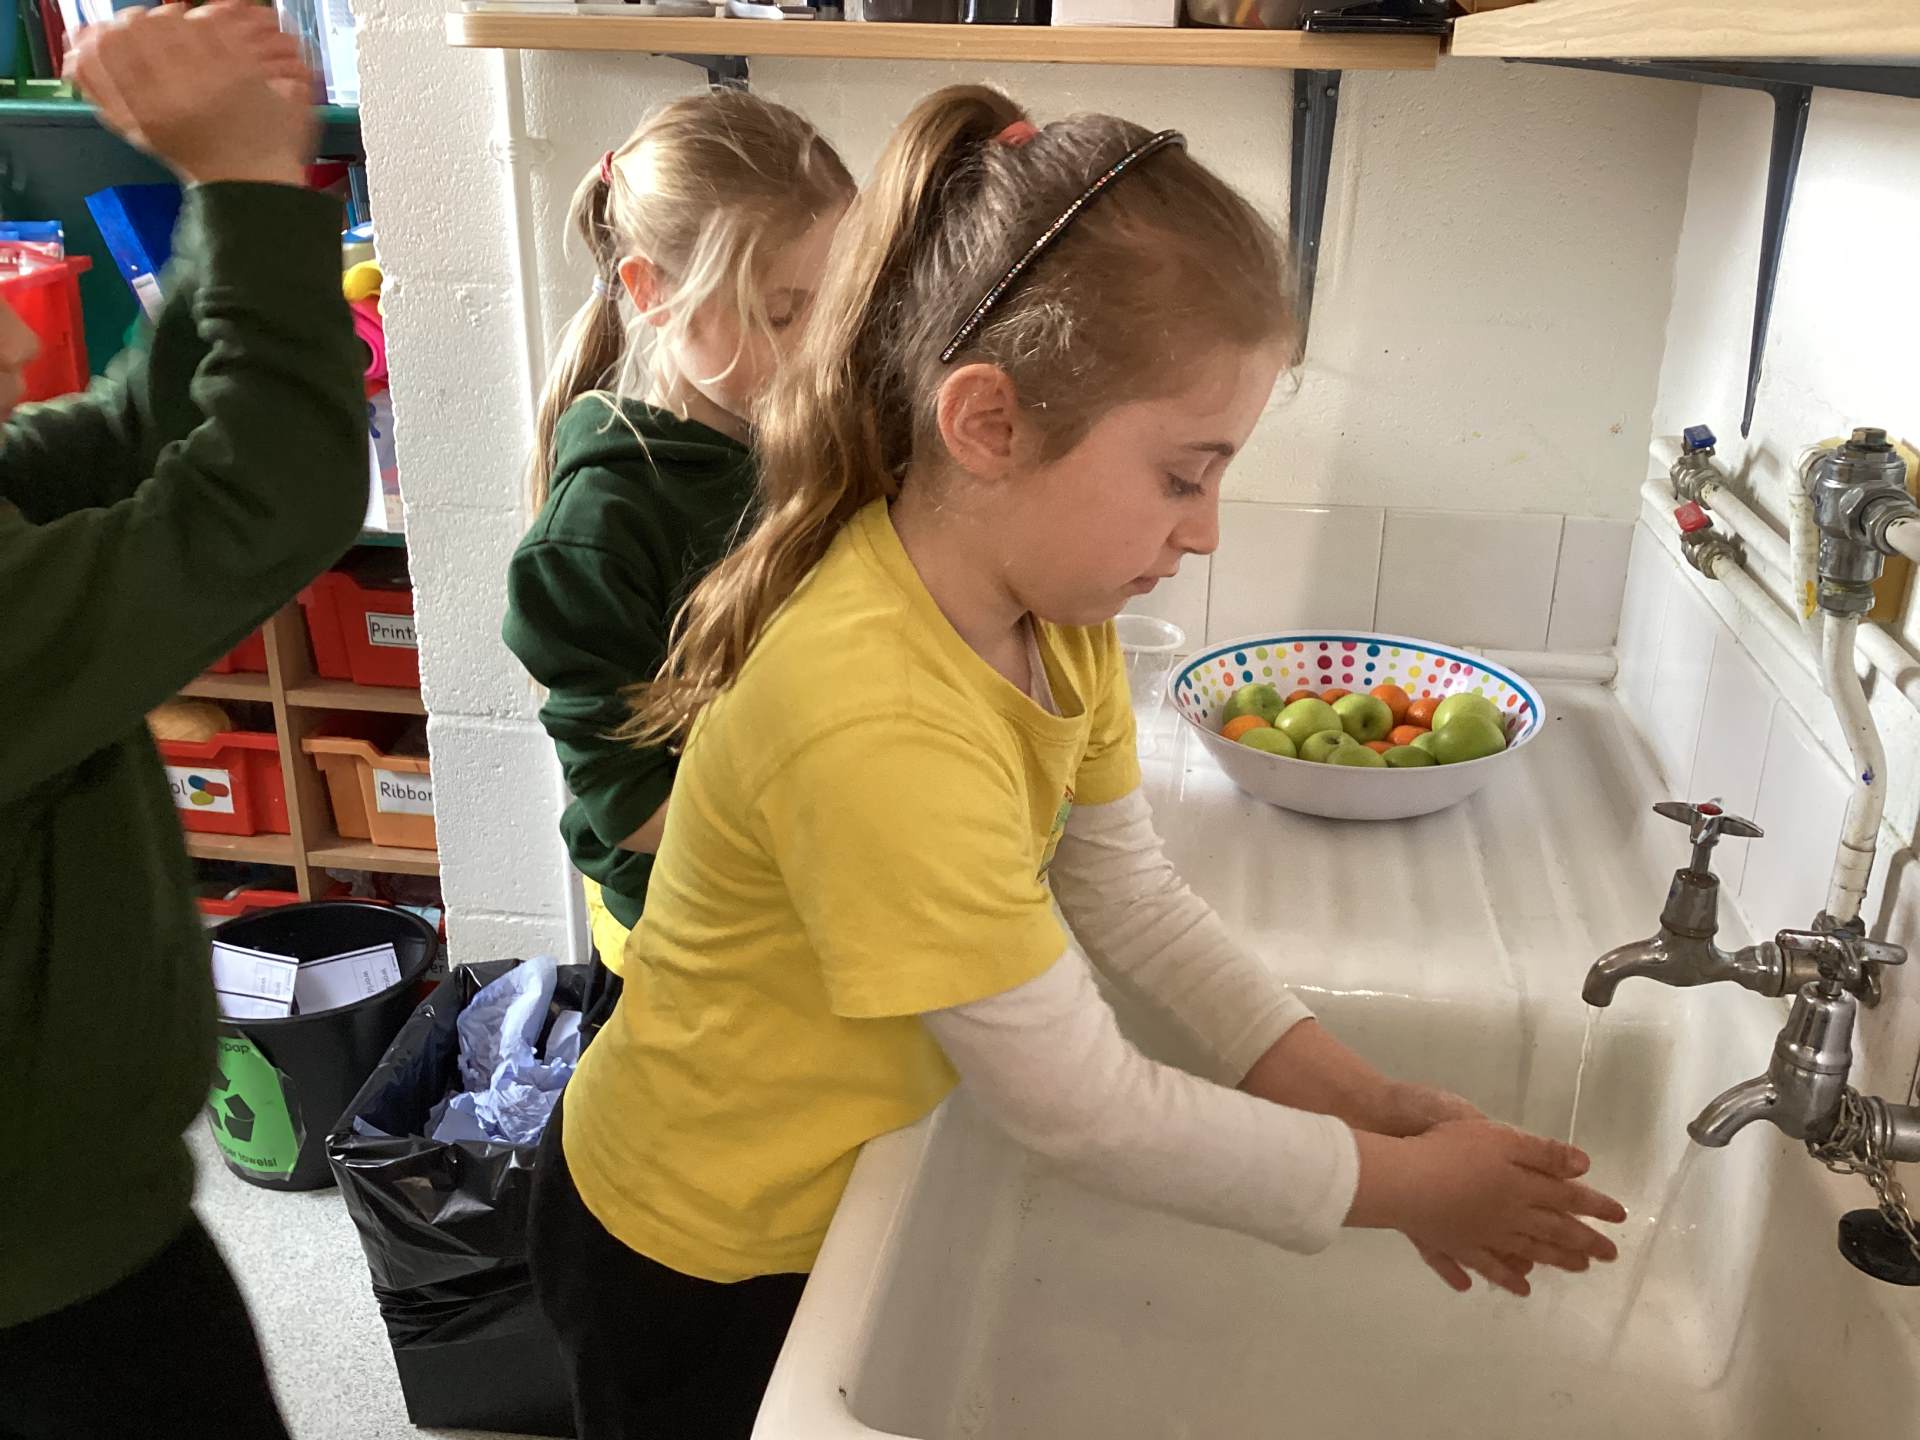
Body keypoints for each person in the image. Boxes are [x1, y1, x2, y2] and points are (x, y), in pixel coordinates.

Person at [527, 86, 1627, 1439]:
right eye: (1183, 475)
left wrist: (1360, 1101)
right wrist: (1402, 1189)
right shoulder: (872, 712)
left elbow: (1129, 895)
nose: (1206, 530)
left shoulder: (1052, 620)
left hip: (829, 1198)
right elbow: (1083, 1110)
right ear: (988, 424)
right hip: (693, 1249)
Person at [0, 8, 367, 1435]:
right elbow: (271, 491)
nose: (17, 313)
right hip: (46, 1300)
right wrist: (245, 180)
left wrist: (230, 197)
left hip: (92, 1238)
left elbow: (131, 442)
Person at [502, 90, 852, 1024]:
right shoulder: (600, 525)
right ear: (652, 292)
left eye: (837, 305)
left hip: (796, 893)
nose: (819, 348)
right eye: (782, 312)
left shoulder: (787, 435)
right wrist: (832, 837)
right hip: (686, 938)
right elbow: (628, 807)